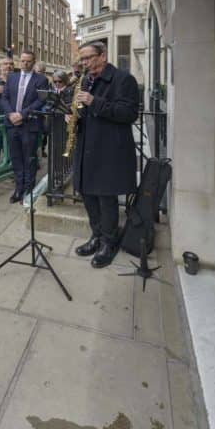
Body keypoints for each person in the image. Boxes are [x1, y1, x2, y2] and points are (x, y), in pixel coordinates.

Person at [73, 41, 139, 268]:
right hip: (87, 147)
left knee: (105, 198)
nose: (84, 63)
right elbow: (85, 111)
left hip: (109, 150)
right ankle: (96, 236)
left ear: (102, 56)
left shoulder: (123, 79)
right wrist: (74, 117)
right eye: (81, 59)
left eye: (88, 57)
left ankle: (109, 243)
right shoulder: (85, 80)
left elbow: (128, 113)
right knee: (88, 195)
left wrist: (94, 101)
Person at [0, 49, 49, 202]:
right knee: (16, 158)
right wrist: (11, 114)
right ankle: (18, 189)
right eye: (22, 60)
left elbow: (40, 101)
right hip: (12, 125)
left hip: (30, 125)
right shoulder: (12, 78)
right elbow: (4, 98)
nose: (24, 63)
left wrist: (22, 114)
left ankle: (28, 191)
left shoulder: (41, 79)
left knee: (30, 159)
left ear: (33, 62)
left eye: (28, 61)